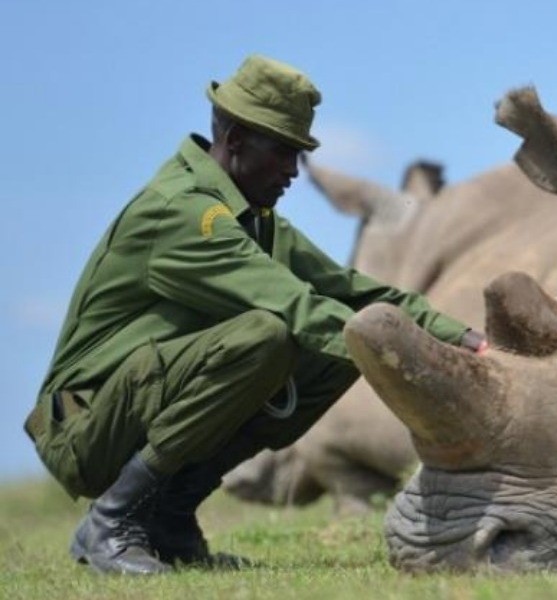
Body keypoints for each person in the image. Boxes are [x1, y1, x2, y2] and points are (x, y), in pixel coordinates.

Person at [23, 55, 488, 575]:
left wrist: (467, 342)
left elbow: (358, 296)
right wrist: (424, 370)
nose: (293, 171)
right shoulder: (183, 213)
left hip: (134, 406)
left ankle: (170, 520)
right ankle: (111, 520)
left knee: (342, 348)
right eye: (284, 152)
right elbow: (295, 308)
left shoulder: (256, 221)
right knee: (268, 335)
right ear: (237, 140)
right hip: (85, 429)